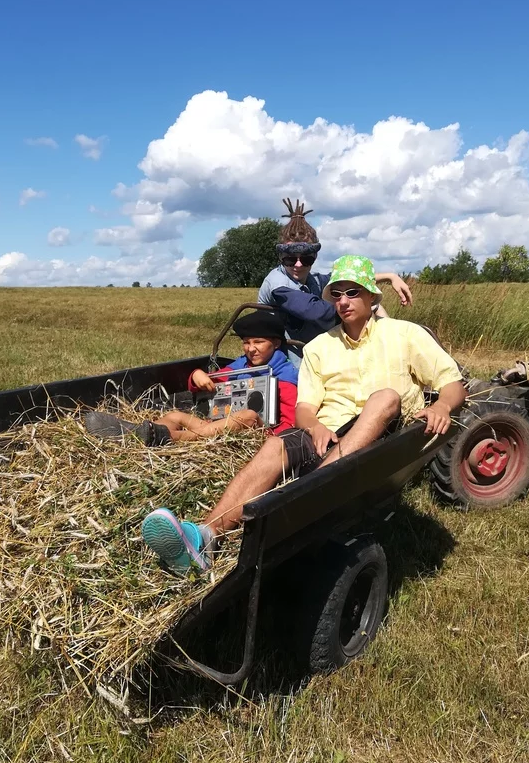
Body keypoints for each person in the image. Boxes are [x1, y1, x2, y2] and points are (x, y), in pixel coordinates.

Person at [142, 254, 466, 574]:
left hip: (383, 430)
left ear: (371, 296)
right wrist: (314, 427)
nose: (343, 301)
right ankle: (204, 536)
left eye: (352, 292)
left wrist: (440, 405)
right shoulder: (319, 347)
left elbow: (452, 383)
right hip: (328, 430)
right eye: (336, 294)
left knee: (385, 397)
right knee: (275, 446)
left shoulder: (404, 335)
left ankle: (309, 492)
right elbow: (305, 409)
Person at [85, 310, 298, 446]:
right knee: (176, 415)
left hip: (256, 434)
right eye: (246, 342)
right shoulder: (240, 366)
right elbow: (207, 383)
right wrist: (196, 375)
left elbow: (288, 426)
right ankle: (133, 436)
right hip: (216, 428)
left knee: (248, 415)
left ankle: (171, 438)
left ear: (276, 344)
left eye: (258, 342)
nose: (251, 349)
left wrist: (265, 436)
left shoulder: (286, 377)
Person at [257, 198, 413, 364]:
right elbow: (314, 311)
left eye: (306, 259)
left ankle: (394, 348)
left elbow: (347, 280)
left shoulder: (313, 280)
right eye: (290, 259)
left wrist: (390, 277)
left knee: (373, 303)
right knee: (364, 306)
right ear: (281, 257)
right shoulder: (277, 283)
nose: (298, 264)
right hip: (286, 359)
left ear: (314, 257)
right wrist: (356, 310)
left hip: (314, 349)